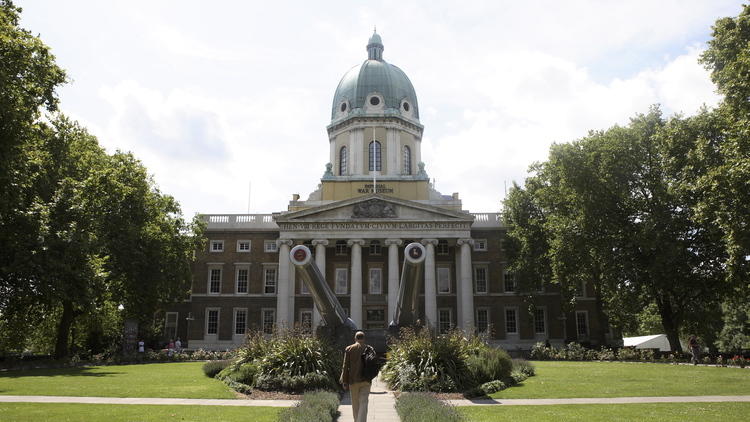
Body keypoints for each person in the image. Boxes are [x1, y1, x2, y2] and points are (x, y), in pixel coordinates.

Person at [340, 331, 371, 422]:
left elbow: (345, 366)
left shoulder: (349, 349)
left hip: (353, 381)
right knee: (364, 403)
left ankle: (357, 420)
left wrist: (344, 381)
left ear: (355, 338)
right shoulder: (369, 349)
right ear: (364, 339)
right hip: (366, 380)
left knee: (355, 404)